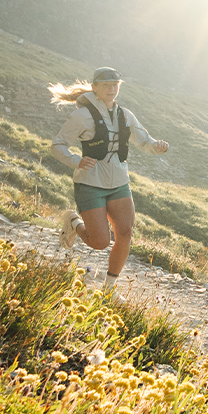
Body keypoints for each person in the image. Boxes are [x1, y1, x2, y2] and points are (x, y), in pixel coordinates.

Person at [49, 68, 169, 290]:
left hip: (119, 183)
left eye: (115, 85)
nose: (112, 89)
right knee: (100, 242)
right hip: (90, 184)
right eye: (106, 85)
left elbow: (145, 142)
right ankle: (74, 223)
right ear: (94, 87)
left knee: (125, 232)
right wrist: (76, 160)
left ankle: (109, 288)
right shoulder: (81, 116)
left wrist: (157, 147)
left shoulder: (125, 115)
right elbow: (57, 145)